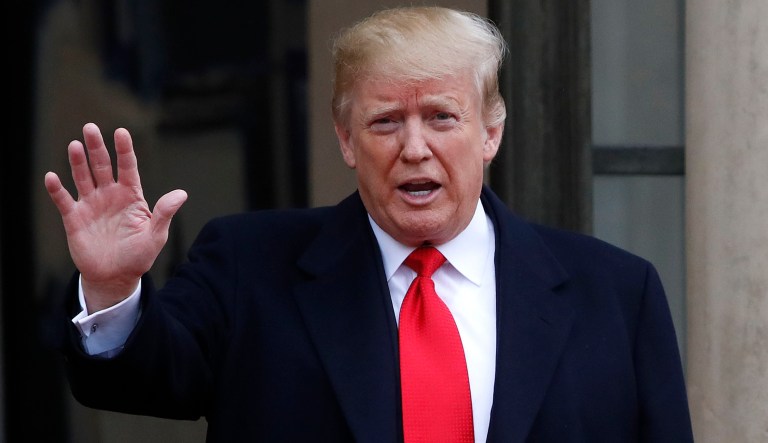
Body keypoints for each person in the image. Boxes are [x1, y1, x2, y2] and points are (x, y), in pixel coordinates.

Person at [44, 6, 693, 442]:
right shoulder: (250, 263)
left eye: (441, 117)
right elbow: (145, 379)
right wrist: (111, 290)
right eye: (386, 121)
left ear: (490, 132)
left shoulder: (616, 292)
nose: (414, 148)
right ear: (346, 138)